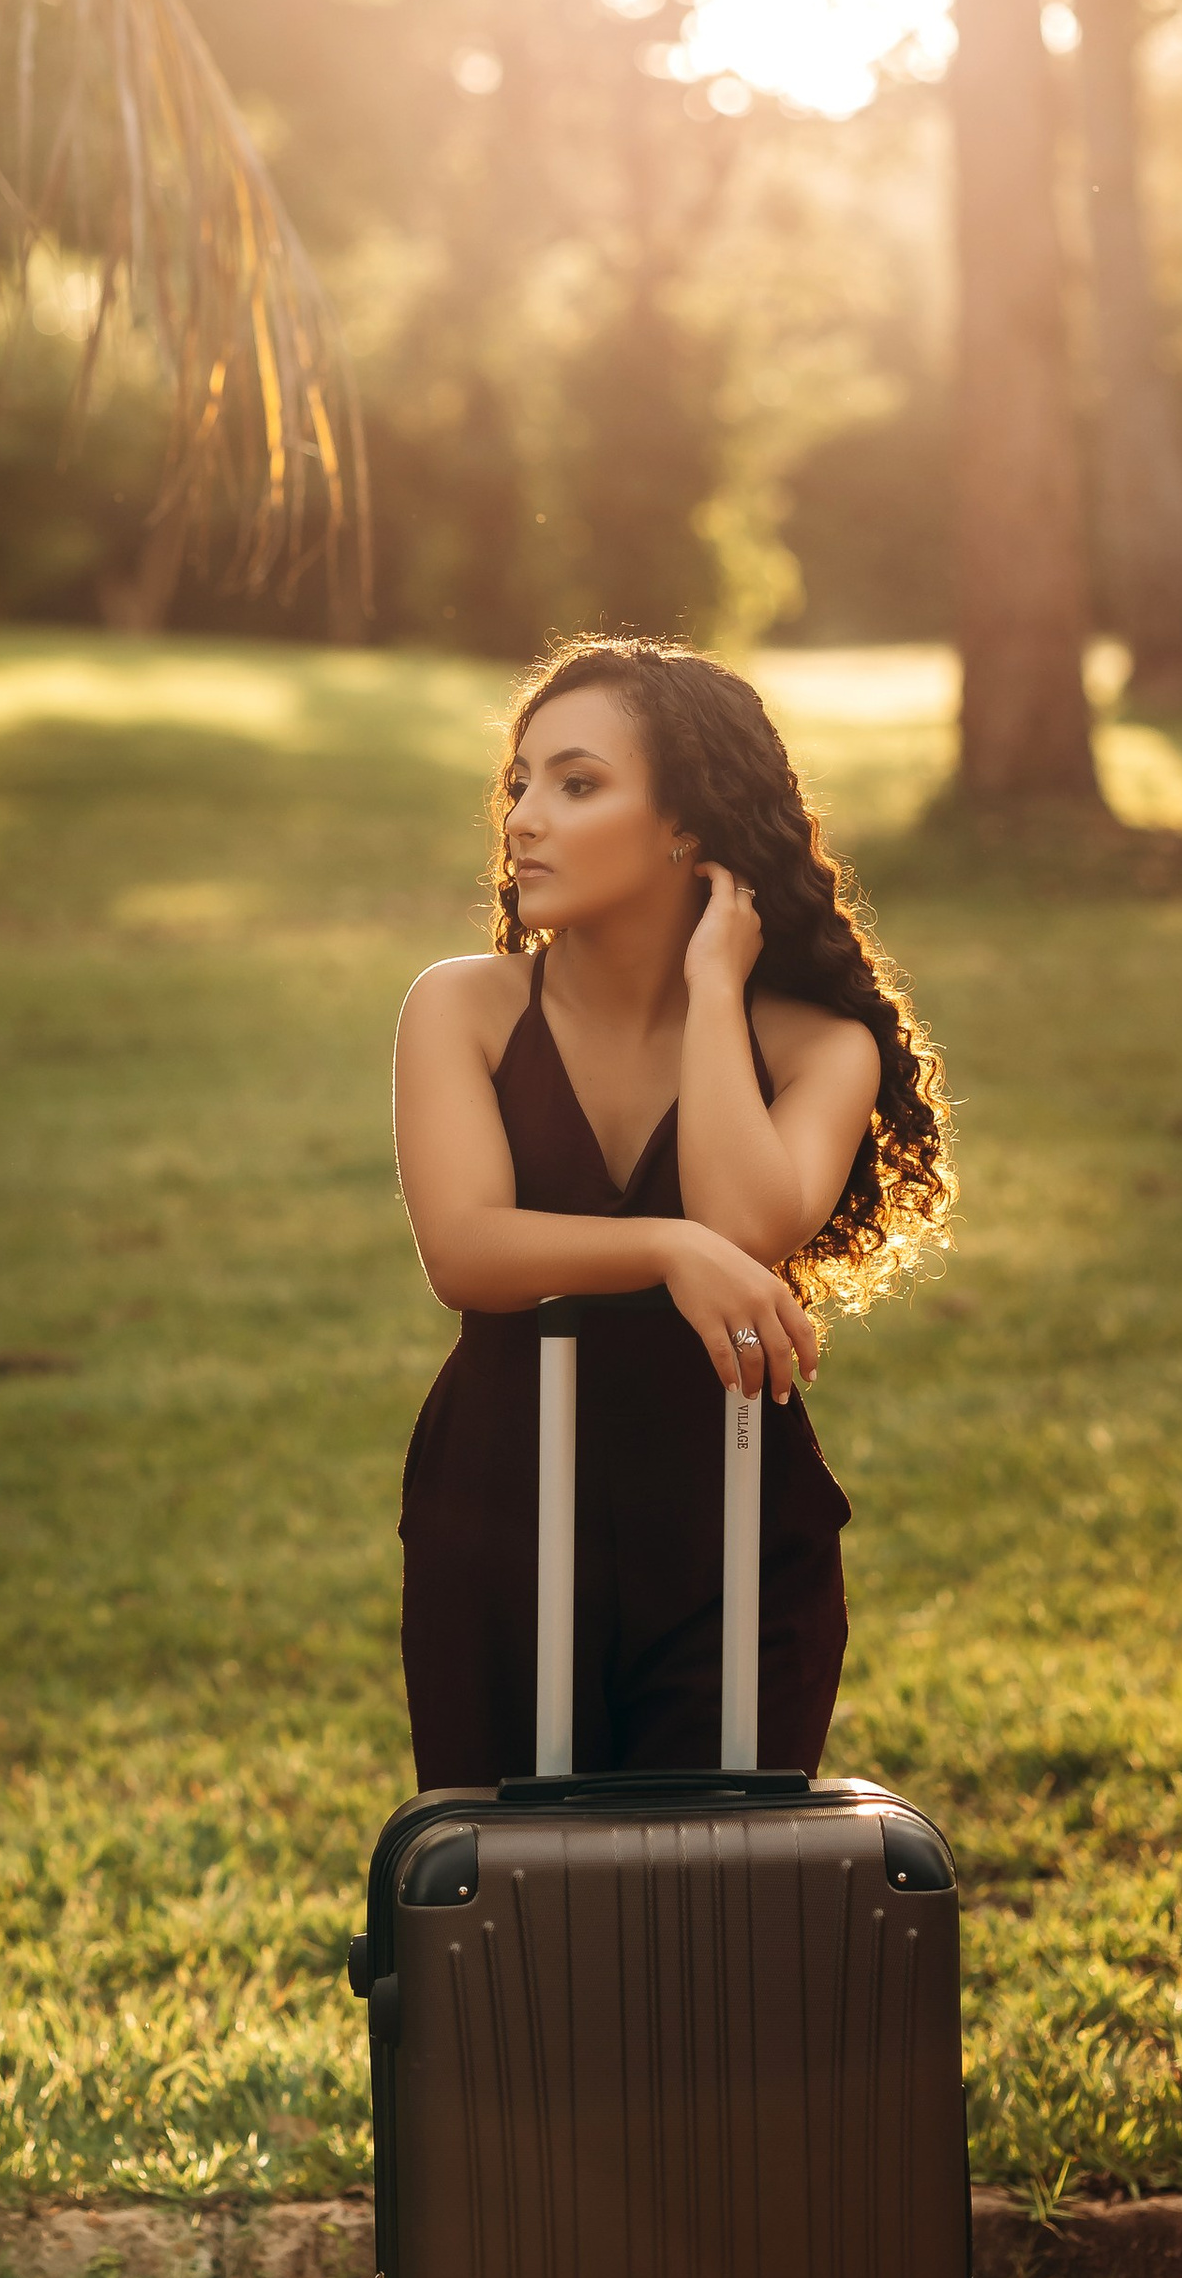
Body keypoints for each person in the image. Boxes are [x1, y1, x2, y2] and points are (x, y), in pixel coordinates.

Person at [392, 634, 953, 1787]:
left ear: (686, 827)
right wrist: (662, 1245)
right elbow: (464, 1249)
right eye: (521, 783)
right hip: (500, 1514)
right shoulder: (462, 1008)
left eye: (577, 783)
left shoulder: (820, 1046)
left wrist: (712, 988)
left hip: (734, 1524)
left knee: (709, 1922)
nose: (523, 820)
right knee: (519, 1921)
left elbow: (748, 1223)